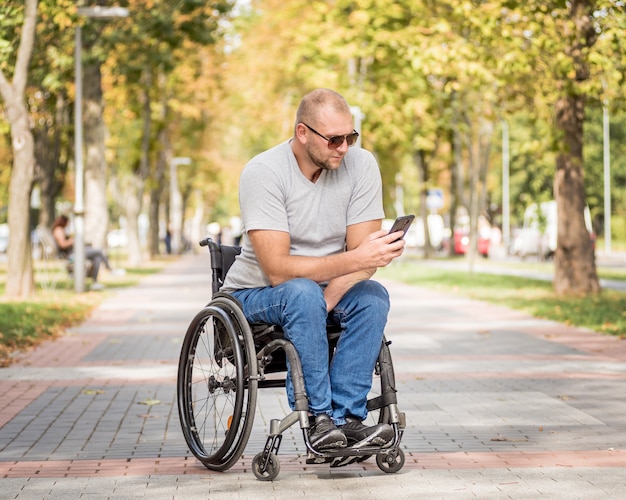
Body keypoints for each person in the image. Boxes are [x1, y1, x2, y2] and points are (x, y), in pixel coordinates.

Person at [221, 89, 406, 455]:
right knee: (301, 292)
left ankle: (347, 419)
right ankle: (319, 419)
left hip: (318, 290)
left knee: (372, 297)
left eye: (350, 137)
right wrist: (352, 264)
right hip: (256, 294)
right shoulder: (264, 172)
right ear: (303, 133)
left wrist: (331, 295)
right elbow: (277, 270)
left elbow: (364, 256)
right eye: (334, 139)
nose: (344, 147)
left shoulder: (362, 165)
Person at [51, 215, 113, 291]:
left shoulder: (61, 230)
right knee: (99, 251)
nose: (68, 224)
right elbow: (63, 244)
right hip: (72, 254)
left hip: (74, 251)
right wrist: (72, 241)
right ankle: (109, 269)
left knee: (97, 258)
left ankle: (95, 282)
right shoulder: (58, 230)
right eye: (67, 222)